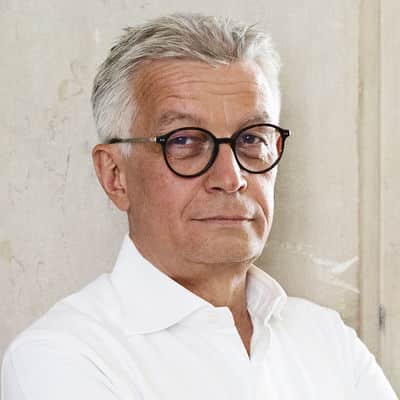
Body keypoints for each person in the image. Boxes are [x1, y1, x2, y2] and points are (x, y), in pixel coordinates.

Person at [1, 13, 397, 400]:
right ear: (115, 175)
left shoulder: (326, 340)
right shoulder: (62, 357)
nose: (231, 177)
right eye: (184, 141)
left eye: (251, 139)